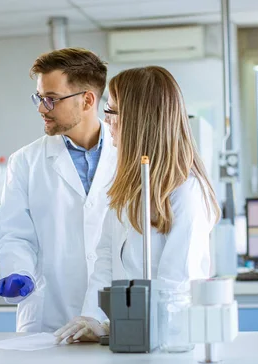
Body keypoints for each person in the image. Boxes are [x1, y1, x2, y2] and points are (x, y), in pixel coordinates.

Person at [54, 66, 221, 343]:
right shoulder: (129, 187)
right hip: (129, 340)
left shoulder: (185, 191)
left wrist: (112, 328)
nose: (106, 122)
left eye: (112, 112)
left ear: (138, 119)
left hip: (167, 345)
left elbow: (174, 293)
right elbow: (106, 260)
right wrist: (92, 321)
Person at [0, 48, 116, 333]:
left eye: (51, 99)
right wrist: (19, 272)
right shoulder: (25, 162)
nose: (41, 108)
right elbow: (15, 235)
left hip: (112, 317)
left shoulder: (128, 156)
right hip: (48, 318)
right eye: (39, 97)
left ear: (87, 100)